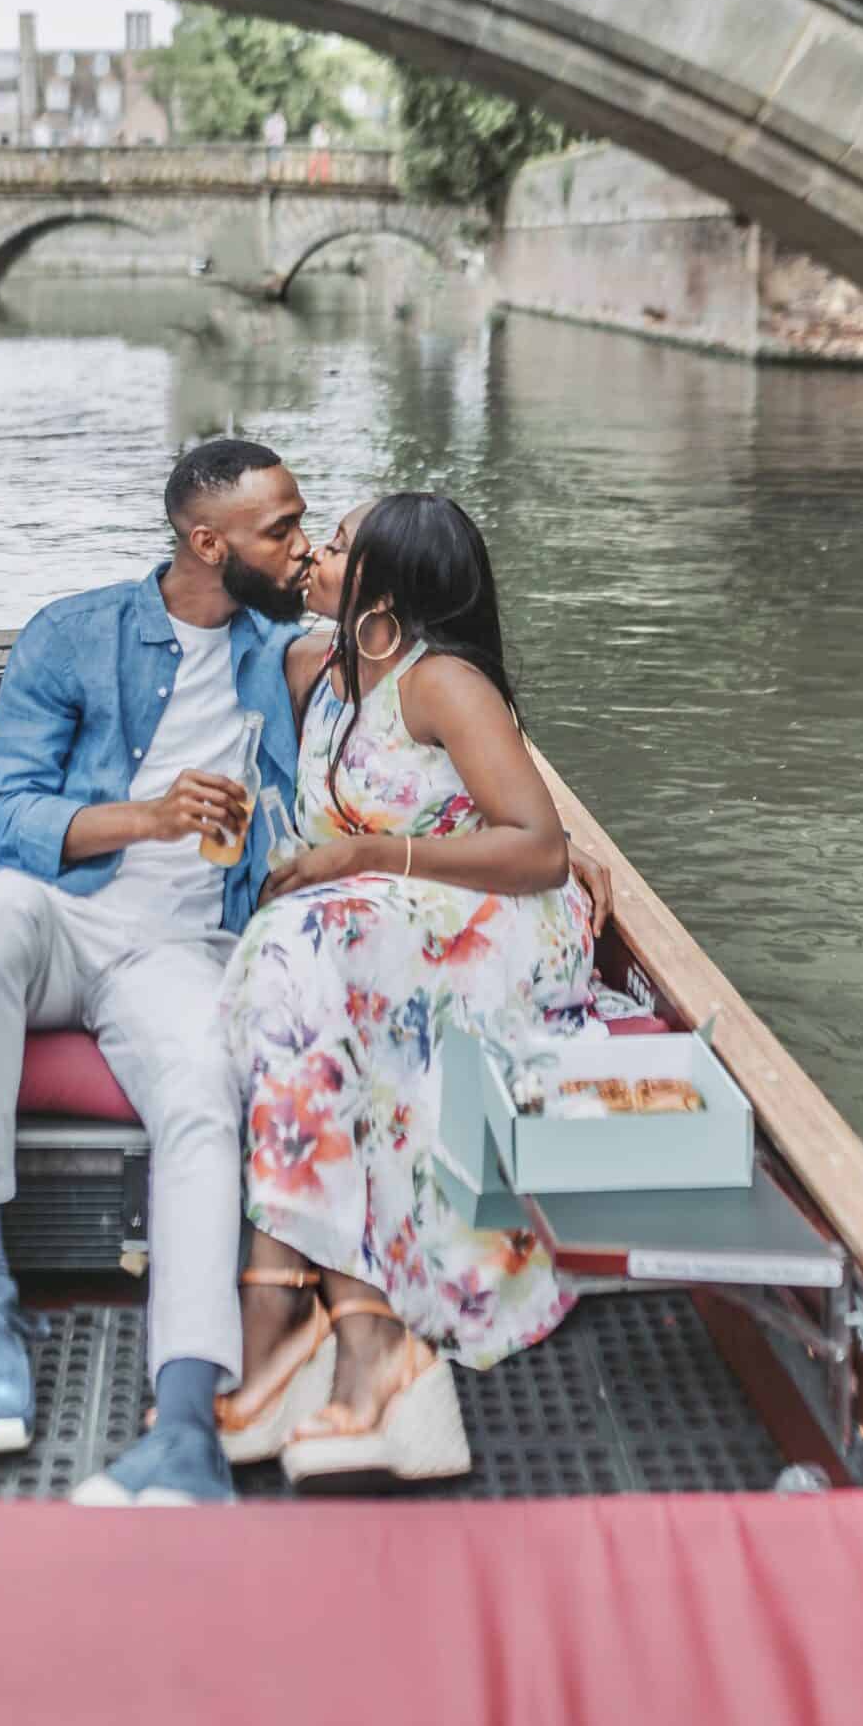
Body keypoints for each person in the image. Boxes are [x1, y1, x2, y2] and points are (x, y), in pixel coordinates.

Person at [0, 437, 311, 1506]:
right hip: (60, 917)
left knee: (202, 1090)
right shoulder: (74, 633)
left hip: (180, 950)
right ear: (207, 541)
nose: (300, 546)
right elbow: (6, 811)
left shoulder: (287, 653)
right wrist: (147, 816)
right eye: (280, 528)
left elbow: (430, 687)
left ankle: (185, 1419)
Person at [217, 492, 598, 1486]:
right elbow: (222, 601)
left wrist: (366, 853)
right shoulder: (319, 671)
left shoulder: (442, 685)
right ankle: (352, 1332)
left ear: (384, 589)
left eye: (336, 546)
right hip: (370, 923)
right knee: (291, 959)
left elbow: (544, 850)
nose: (315, 556)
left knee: (293, 956)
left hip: (484, 922)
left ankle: (286, 1316)